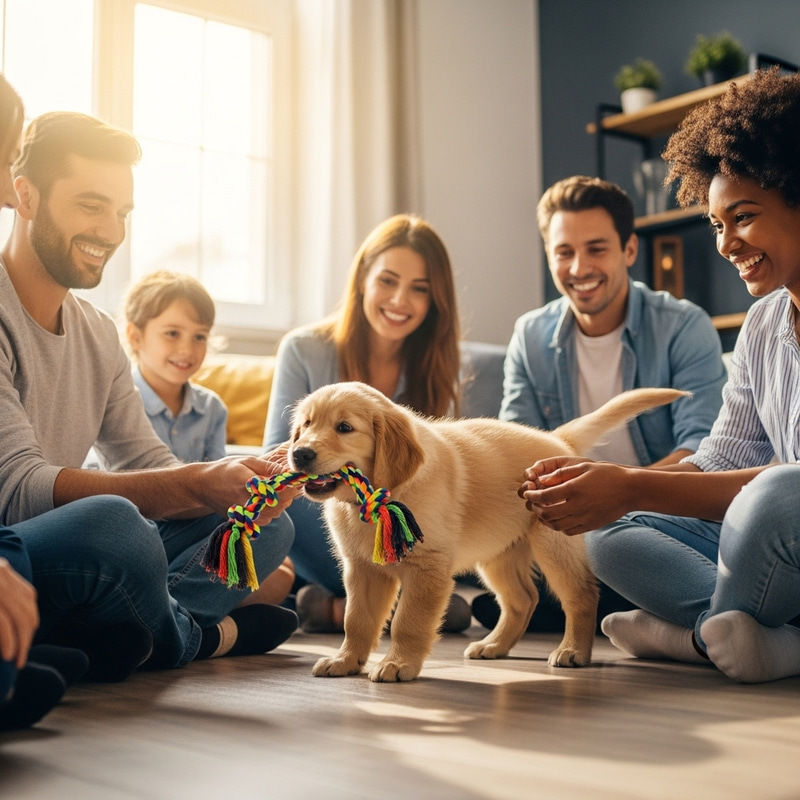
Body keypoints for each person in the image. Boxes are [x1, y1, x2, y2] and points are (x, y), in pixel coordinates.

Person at [520, 67, 800, 684]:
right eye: (717, 224)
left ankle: (693, 635)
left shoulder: (680, 322)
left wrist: (633, 485)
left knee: (780, 495)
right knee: (608, 534)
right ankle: (744, 637)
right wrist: (613, 489)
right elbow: (719, 456)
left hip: (782, 527)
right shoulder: (761, 325)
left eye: (744, 217)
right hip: (770, 558)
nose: (727, 244)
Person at [0, 110, 298, 682]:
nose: (111, 232)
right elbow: (17, 493)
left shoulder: (98, 332)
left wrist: (227, 484)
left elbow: (145, 463)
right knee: (114, 527)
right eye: (91, 205)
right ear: (26, 196)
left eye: (122, 213)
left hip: (75, 560)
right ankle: (203, 636)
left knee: (265, 525)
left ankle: (122, 633)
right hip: (13, 548)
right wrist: (193, 483)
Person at [471, 175, 727, 632]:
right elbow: (513, 452)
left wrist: (619, 492)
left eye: (596, 249)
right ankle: (630, 610)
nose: (578, 267)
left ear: (629, 250)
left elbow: (704, 452)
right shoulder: (530, 336)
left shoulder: (683, 326)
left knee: (610, 546)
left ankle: (607, 606)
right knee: (508, 565)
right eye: (563, 252)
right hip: (564, 524)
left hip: (657, 514)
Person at [263, 213, 472, 633]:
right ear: (362, 279)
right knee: (289, 509)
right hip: (322, 505)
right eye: (387, 281)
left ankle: (331, 607)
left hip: (394, 510)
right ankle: (364, 602)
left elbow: (434, 474)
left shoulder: (437, 365)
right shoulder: (304, 349)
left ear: (436, 301)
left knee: (438, 528)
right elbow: (278, 457)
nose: (399, 301)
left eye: (419, 289)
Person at [123, 269, 295, 604]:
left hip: (194, 531)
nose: (187, 348)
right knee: (266, 576)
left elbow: (224, 492)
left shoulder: (211, 408)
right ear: (135, 336)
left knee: (282, 575)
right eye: (172, 333)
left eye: (199, 336)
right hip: (141, 534)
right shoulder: (123, 400)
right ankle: (200, 617)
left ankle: (183, 609)